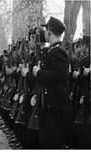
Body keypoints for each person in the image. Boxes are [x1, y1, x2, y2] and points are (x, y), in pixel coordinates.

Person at [33, 16, 72, 148]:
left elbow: (59, 75)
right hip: (50, 105)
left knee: (52, 142)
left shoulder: (58, 52)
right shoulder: (53, 51)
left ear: (49, 32)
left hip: (55, 106)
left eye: (46, 30)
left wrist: (38, 72)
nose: (44, 33)